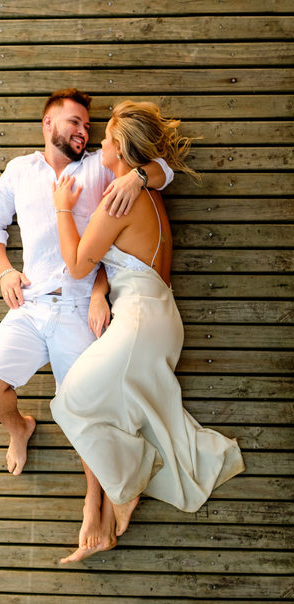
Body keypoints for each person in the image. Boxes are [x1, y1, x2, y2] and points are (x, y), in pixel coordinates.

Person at [0, 89, 174, 553]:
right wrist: (4, 268)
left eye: (87, 125)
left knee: (85, 409)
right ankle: (19, 427)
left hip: (81, 306)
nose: (84, 131)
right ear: (48, 125)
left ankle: (92, 505)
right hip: (30, 302)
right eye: (75, 123)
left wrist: (138, 177)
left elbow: (167, 172)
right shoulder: (20, 171)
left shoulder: (103, 164)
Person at [51, 100, 245, 563]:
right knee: (122, 407)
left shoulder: (121, 198)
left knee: (73, 400)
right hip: (159, 317)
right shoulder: (149, 191)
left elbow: (78, 264)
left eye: (106, 139)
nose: (99, 143)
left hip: (139, 321)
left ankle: (126, 485)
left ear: (119, 148)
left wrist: (62, 209)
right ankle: (113, 498)